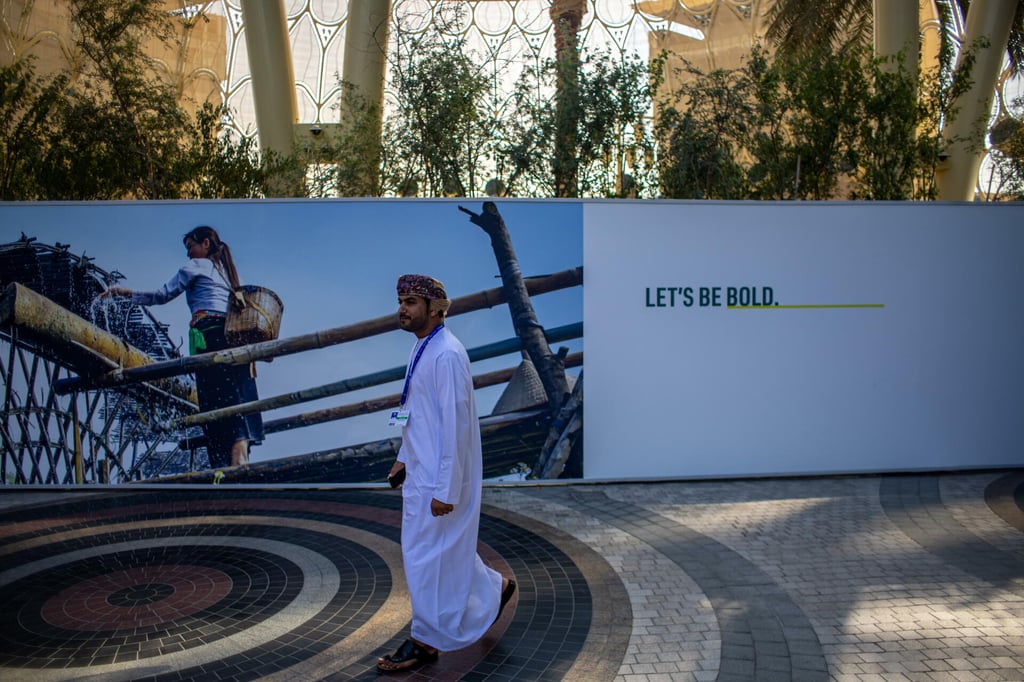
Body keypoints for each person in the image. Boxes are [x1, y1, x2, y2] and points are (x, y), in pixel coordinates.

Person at [377, 274, 516, 673]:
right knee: (441, 551)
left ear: (435, 309)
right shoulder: (424, 347)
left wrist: (447, 489)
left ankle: (425, 640)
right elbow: (418, 414)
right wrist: (404, 456)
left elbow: (456, 428)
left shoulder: (447, 355)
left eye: (410, 302)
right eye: (401, 301)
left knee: (425, 559)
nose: (402, 309)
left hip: (440, 479)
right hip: (422, 472)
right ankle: (496, 588)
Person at [100, 226, 263, 469]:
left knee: (214, 398)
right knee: (236, 396)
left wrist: (126, 293)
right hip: (230, 337)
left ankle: (224, 466)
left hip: (208, 334)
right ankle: (240, 460)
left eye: (191, 247)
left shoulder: (195, 267)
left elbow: (161, 295)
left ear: (205, 244)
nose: (188, 254)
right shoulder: (225, 273)